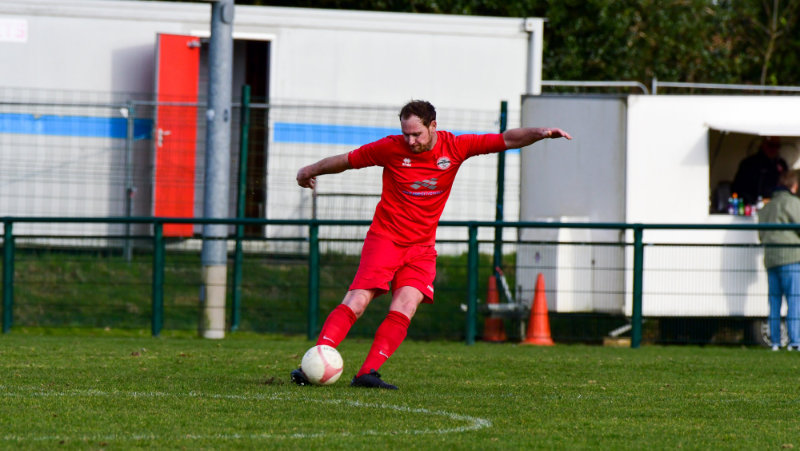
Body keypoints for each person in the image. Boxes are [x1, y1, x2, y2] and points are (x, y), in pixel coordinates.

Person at [291, 100, 572, 389]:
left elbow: (506, 139)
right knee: (358, 300)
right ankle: (313, 364)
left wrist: (540, 132)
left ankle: (367, 373)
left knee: (406, 304)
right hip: (385, 239)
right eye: (406, 134)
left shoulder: (456, 147)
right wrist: (309, 170)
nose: (410, 141)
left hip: (422, 248)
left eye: (417, 134)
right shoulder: (390, 148)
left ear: (433, 126)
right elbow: (346, 160)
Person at [758, 169, 800, 351]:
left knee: (774, 302)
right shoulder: (793, 203)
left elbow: (761, 235)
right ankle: (795, 341)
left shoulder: (766, 207)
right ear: (794, 186)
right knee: (794, 300)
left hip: (771, 258)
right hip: (791, 257)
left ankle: (775, 342)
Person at [732, 136, 787, 206]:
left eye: (777, 146)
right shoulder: (749, 163)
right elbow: (738, 187)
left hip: (776, 204)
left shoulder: (781, 163)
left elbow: (786, 186)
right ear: (763, 145)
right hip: (752, 204)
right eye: (771, 145)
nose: (774, 149)